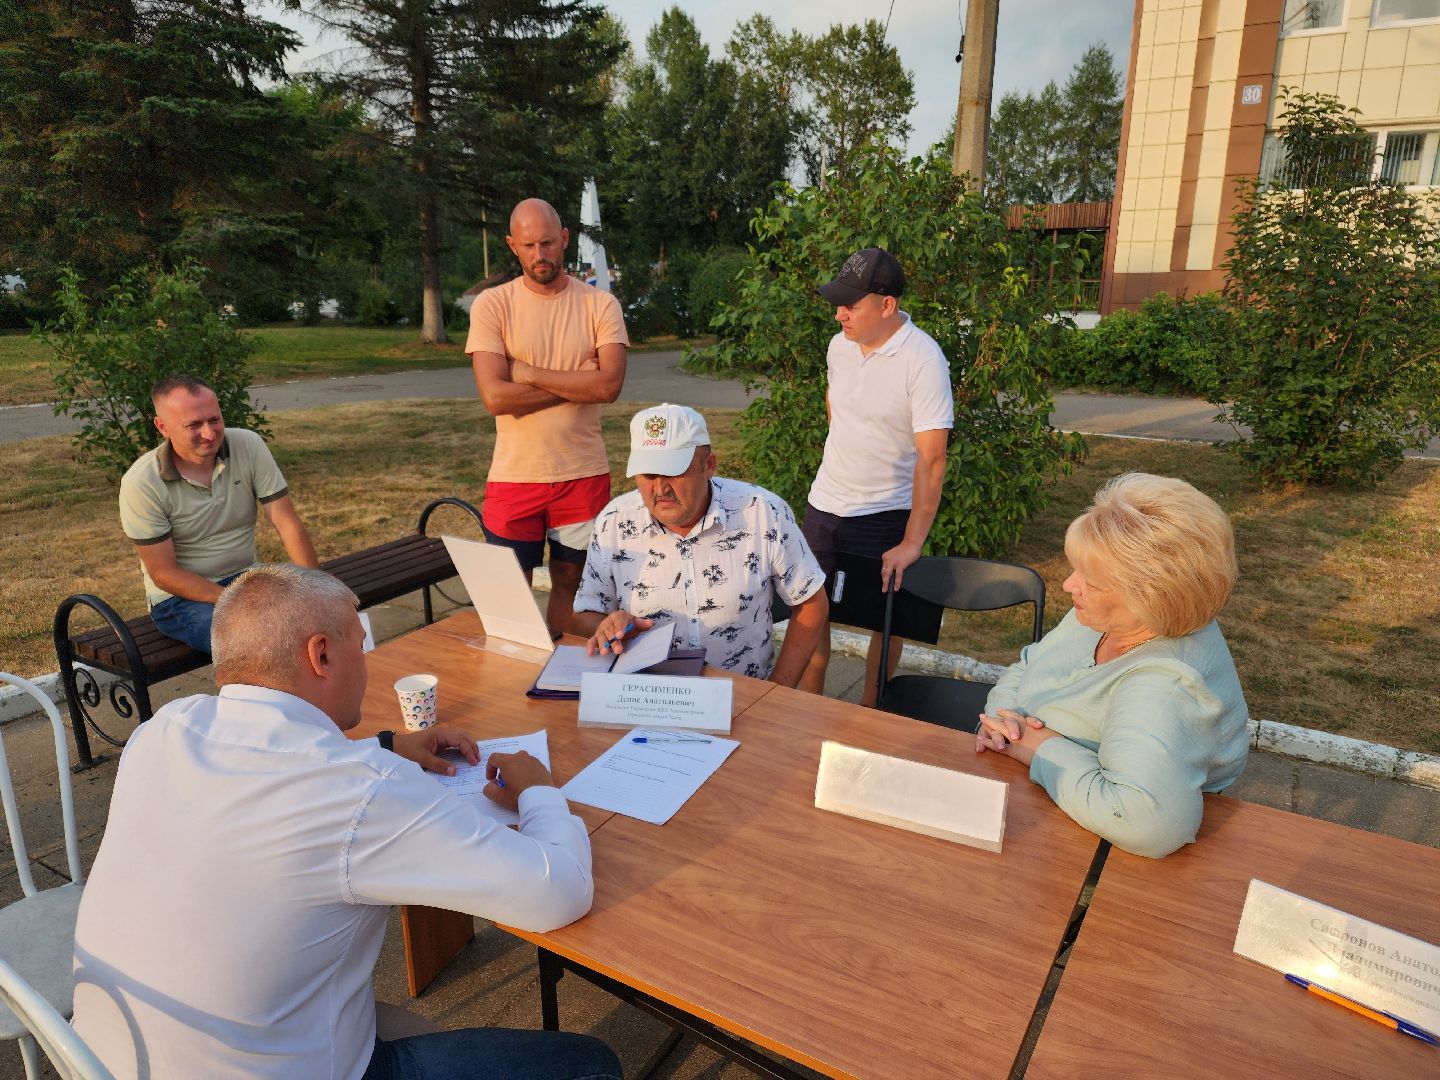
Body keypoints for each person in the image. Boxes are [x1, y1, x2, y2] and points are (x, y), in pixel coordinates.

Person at [71, 564, 619, 1080]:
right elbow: (560, 892)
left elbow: (283, 764)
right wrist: (540, 792)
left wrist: (386, 743)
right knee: (592, 1061)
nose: (368, 658)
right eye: (361, 643)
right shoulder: (360, 787)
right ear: (321, 655)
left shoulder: (165, 728)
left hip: (101, 1058)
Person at [975, 473, 1250, 859]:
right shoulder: (1104, 618)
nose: (1069, 585)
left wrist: (1042, 748)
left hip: (1097, 853)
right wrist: (1003, 724)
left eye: (1091, 580)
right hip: (1035, 801)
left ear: (1151, 597)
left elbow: (1150, 825)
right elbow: (1029, 664)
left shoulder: (1166, 684)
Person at [573, 404, 828, 685]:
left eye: (673, 472)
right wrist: (608, 625)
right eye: (648, 474)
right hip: (645, 693)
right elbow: (586, 613)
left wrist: (776, 691)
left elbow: (811, 601)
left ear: (709, 466)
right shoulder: (615, 522)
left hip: (743, 695)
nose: (660, 489)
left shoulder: (762, 512)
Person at [468, 197, 629, 638]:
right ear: (511, 246)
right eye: (528, 245)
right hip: (514, 477)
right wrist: (576, 383)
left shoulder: (600, 305)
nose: (540, 255)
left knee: (572, 589)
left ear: (563, 239)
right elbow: (496, 398)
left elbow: (608, 386)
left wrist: (531, 373)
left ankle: (565, 680)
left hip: (582, 474)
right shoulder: (492, 305)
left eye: (546, 243)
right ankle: (510, 689)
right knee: (508, 595)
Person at [799, 247, 953, 705]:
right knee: (811, 609)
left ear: (887, 305)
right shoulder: (839, 347)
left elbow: (932, 459)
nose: (839, 315)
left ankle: (870, 711)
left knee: (884, 624)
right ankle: (807, 706)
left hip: (884, 513)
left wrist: (912, 541)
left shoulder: (923, 360)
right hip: (825, 504)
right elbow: (836, 405)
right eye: (836, 304)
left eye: (851, 305)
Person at [118, 374, 320, 653]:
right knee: (253, 642)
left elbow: (286, 522)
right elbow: (164, 574)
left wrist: (319, 589)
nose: (209, 433)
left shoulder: (248, 445)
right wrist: (236, 599)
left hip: (247, 577)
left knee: (315, 618)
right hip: (179, 600)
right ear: (162, 427)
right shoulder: (142, 482)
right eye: (194, 425)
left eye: (214, 420)